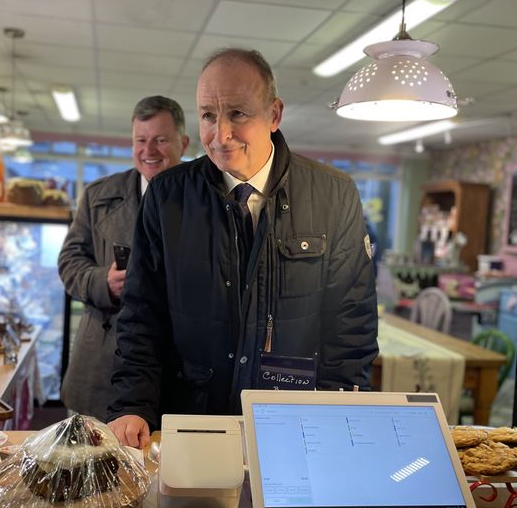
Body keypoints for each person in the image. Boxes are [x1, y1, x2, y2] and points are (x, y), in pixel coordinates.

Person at [107, 48, 378, 448]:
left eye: (238, 114)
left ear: (274, 114)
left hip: (294, 424)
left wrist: (336, 414)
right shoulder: (168, 197)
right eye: (208, 116)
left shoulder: (333, 194)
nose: (221, 135)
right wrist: (132, 404)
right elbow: (141, 315)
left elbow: (351, 327)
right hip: (189, 417)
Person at [58, 96, 189, 420]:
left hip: (179, 364)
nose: (149, 151)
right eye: (140, 141)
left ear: (183, 143)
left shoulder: (208, 199)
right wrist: (103, 281)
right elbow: (69, 261)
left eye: (160, 140)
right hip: (103, 359)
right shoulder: (98, 195)